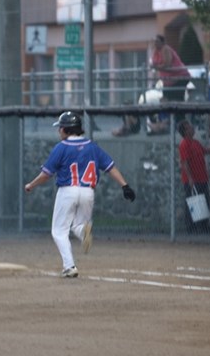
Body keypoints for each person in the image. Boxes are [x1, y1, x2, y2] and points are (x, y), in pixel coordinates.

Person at [24, 111, 136, 278]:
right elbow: (110, 167)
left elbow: (47, 174)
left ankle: (69, 266)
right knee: (78, 225)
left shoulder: (61, 147)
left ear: (66, 129)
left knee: (59, 231)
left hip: (67, 190)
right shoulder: (92, 146)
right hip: (88, 192)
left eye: (60, 128)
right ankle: (84, 232)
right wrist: (125, 185)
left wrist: (31, 185)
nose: (58, 131)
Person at [177, 119, 210, 234]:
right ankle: (191, 227)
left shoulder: (195, 142)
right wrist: (190, 178)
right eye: (189, 127)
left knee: (204, 202)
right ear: (185, 131)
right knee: (192, 203)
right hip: (193, 180)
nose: (192, 128)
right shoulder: (184, 144)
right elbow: (185, 162)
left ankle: (203, 225)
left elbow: (206, 151)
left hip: (202, 178)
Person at [150, 35, 191, 103]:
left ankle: (179, 109)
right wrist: (154, 66)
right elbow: (154, 63)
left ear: (162, 42)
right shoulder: (156, 52)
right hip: (168, 80)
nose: (155, 43)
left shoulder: (165, 49)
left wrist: (156, 67)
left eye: (157, 41)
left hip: (179, 76)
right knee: (165, 98)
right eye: (154, 41)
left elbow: (167, 64)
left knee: (176, 99)